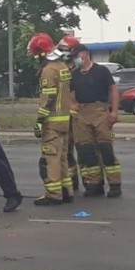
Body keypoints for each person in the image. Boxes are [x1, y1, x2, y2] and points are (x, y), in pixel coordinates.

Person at [68, 43, 122, 198]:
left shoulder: (101, 71)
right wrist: (72, 105)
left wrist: (114, 112)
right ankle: (94, 184)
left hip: (99, 112)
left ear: (85, 54)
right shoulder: (74, 74)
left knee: (106, 149)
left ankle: (114, 184)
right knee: (87, 152)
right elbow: (67, 93)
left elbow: (113, 90)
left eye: (77, 55)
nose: (76, 59)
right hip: (82, 115)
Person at [27, 33, 73, 206]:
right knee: (62, 157)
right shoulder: (62, 66)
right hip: (65, 120)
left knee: (51, 157)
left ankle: (54, 194)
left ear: (41, 53)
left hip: (52, 122)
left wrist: (40, 120)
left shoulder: (48, 70)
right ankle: (66, 191)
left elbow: (48, 97)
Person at [57, 35, 82, 192]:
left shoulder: (79, 72)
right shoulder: (61, 69)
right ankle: (72, 181)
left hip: (78, 118)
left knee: (83, 150)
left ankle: (90, 182)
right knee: (67, 152)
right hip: (66, 117)